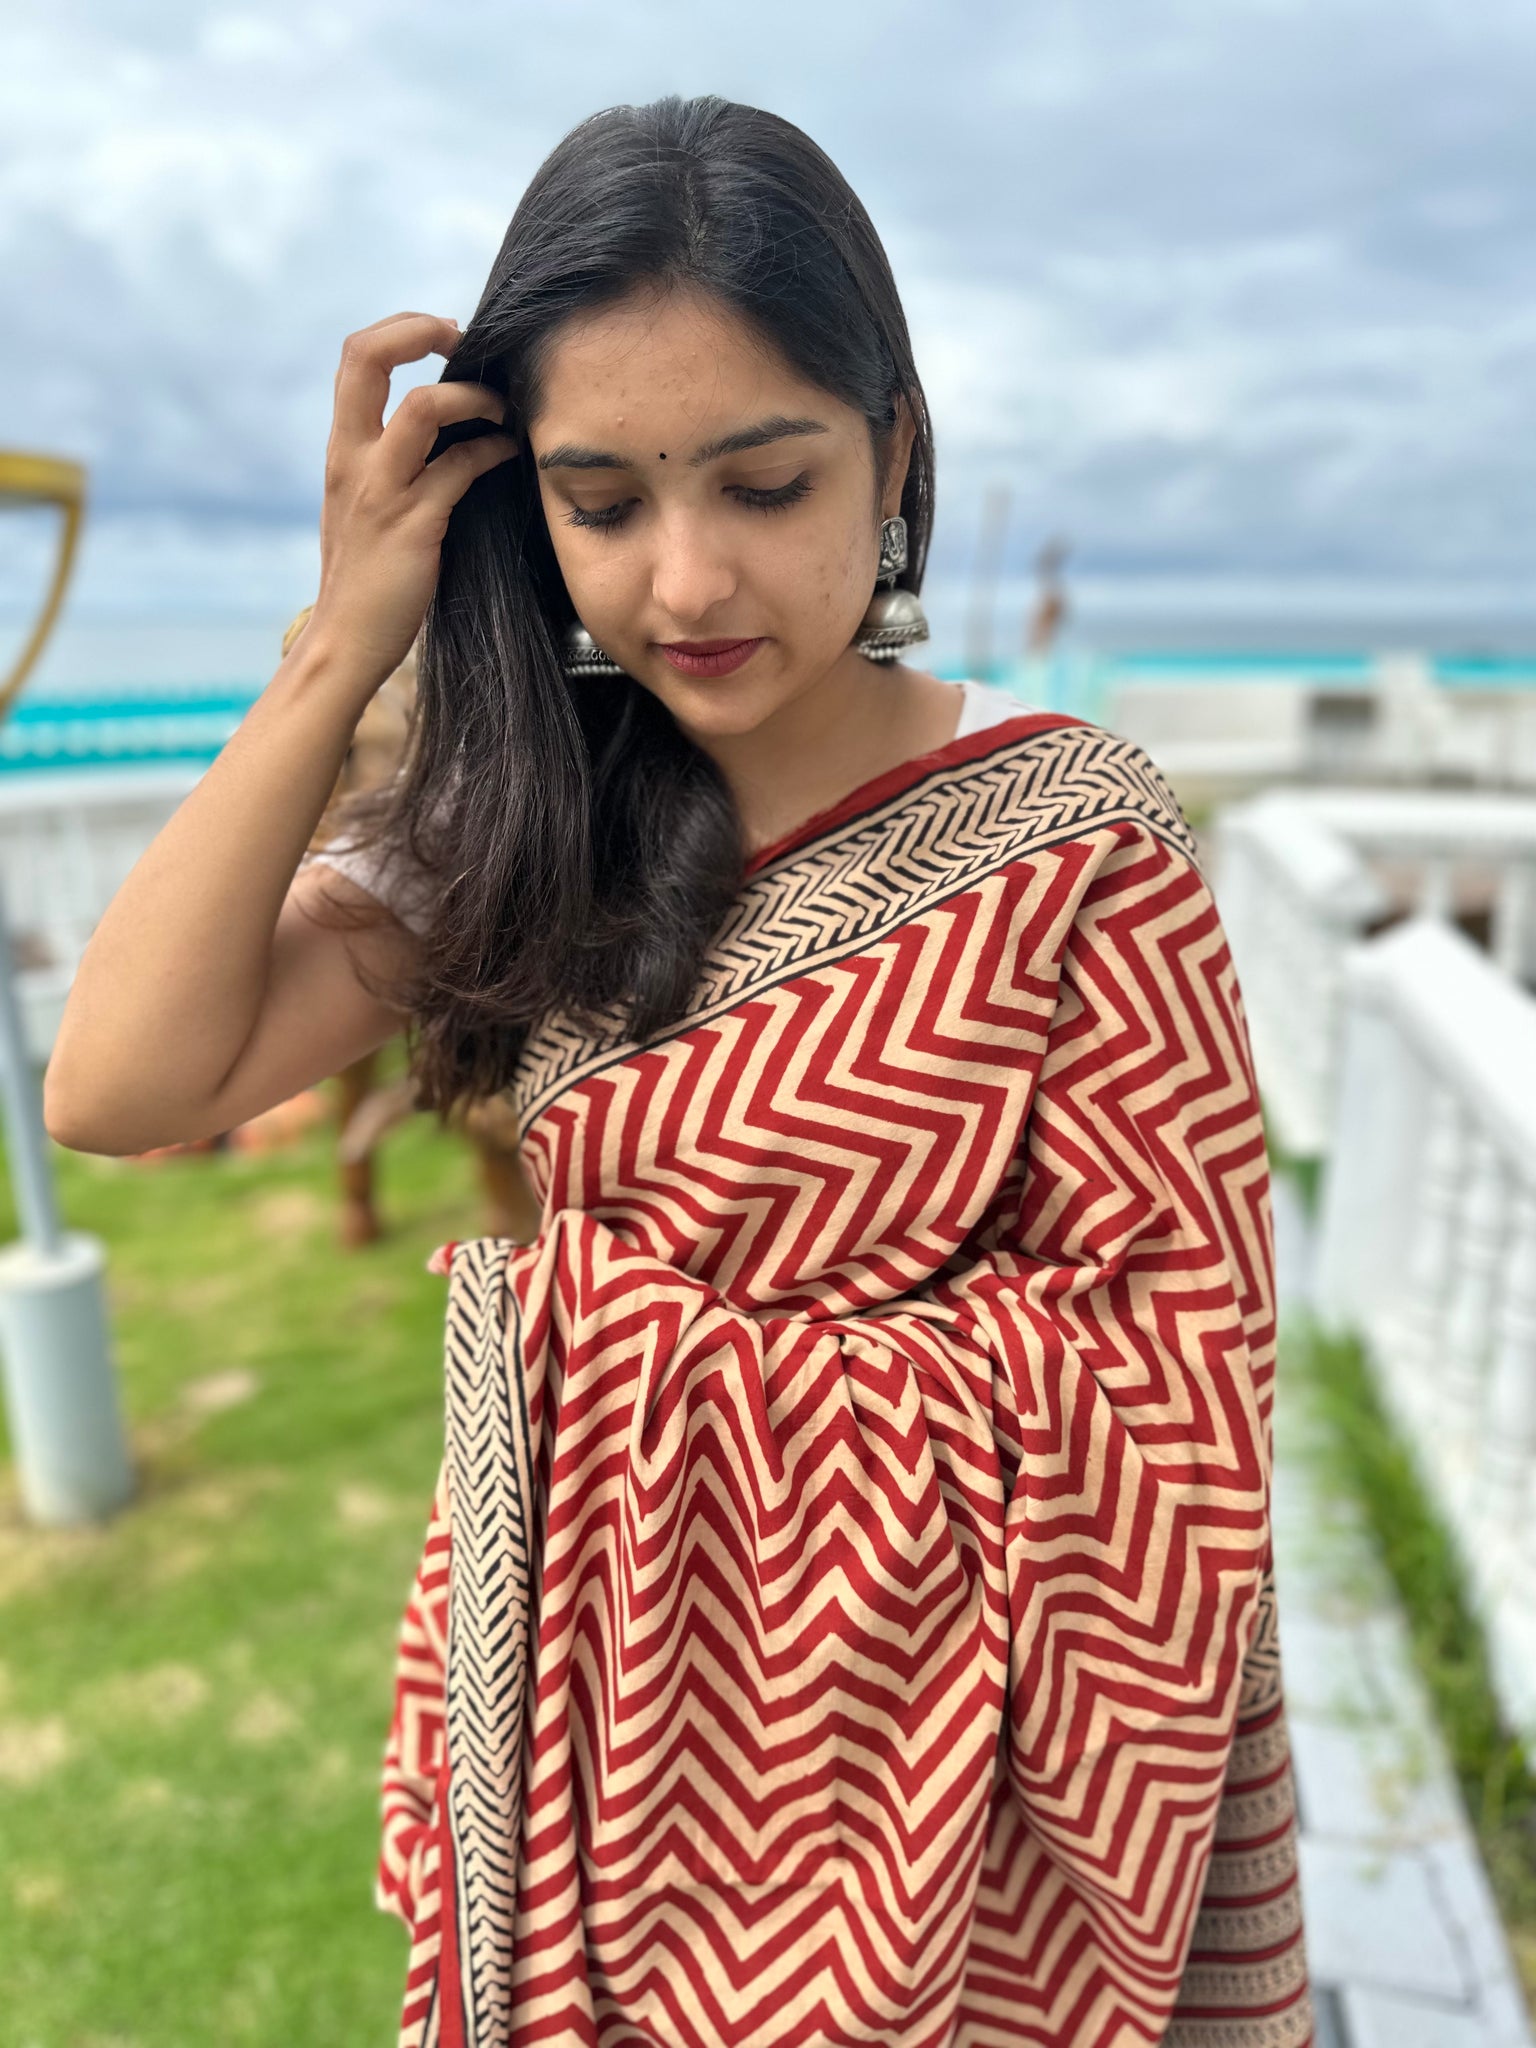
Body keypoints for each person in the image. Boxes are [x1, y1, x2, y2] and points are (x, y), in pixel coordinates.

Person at [44, 94, 1313, 2048]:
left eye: (765, 484)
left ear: (895, 454)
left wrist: (648, 1366)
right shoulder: (529, 825)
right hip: (594, 1755)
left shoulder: (1074, 844)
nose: (690, 584)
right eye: (605, 505)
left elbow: (1182, 1384)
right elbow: (119, 1086)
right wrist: (340, 646)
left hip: (952, 1822)